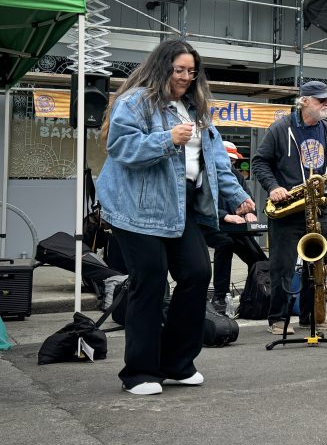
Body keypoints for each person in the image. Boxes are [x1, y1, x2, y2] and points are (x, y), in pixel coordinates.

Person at [96, 39, 255, 395]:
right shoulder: (135, 102)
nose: (185, 77)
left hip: (181, 205)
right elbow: (120, 148)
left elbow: (214, 163)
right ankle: (139, 373)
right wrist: (167, 139)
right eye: (179, 70)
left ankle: (177, 364)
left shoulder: (195, 109)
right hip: (138, 207)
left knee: (198, 273)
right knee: (150, 281)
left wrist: (238, 197)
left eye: (191, 71)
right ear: (162, 67)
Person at [252, 81, 327, 336]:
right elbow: (260, 162)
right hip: (287, 209)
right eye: (321, 100)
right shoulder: (280, 128)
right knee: (282, 267)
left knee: (318, 267)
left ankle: (310, 318)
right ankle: (278, 318)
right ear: (304, 101)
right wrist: (273, 187)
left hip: (317, 209)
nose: (326, 104)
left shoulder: (326, 129)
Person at [204, 141, 266, 314]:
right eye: (228, 160)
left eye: (232, 161)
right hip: (210, 224)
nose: (231, 164)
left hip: (234, 225)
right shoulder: (206, 174)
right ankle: (220, 296)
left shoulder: (235, 174)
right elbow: (202, 205)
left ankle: (252, 296)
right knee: (225, 244)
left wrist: (249, 211)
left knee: (258, 258)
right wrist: (225, 215)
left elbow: (246, 197)